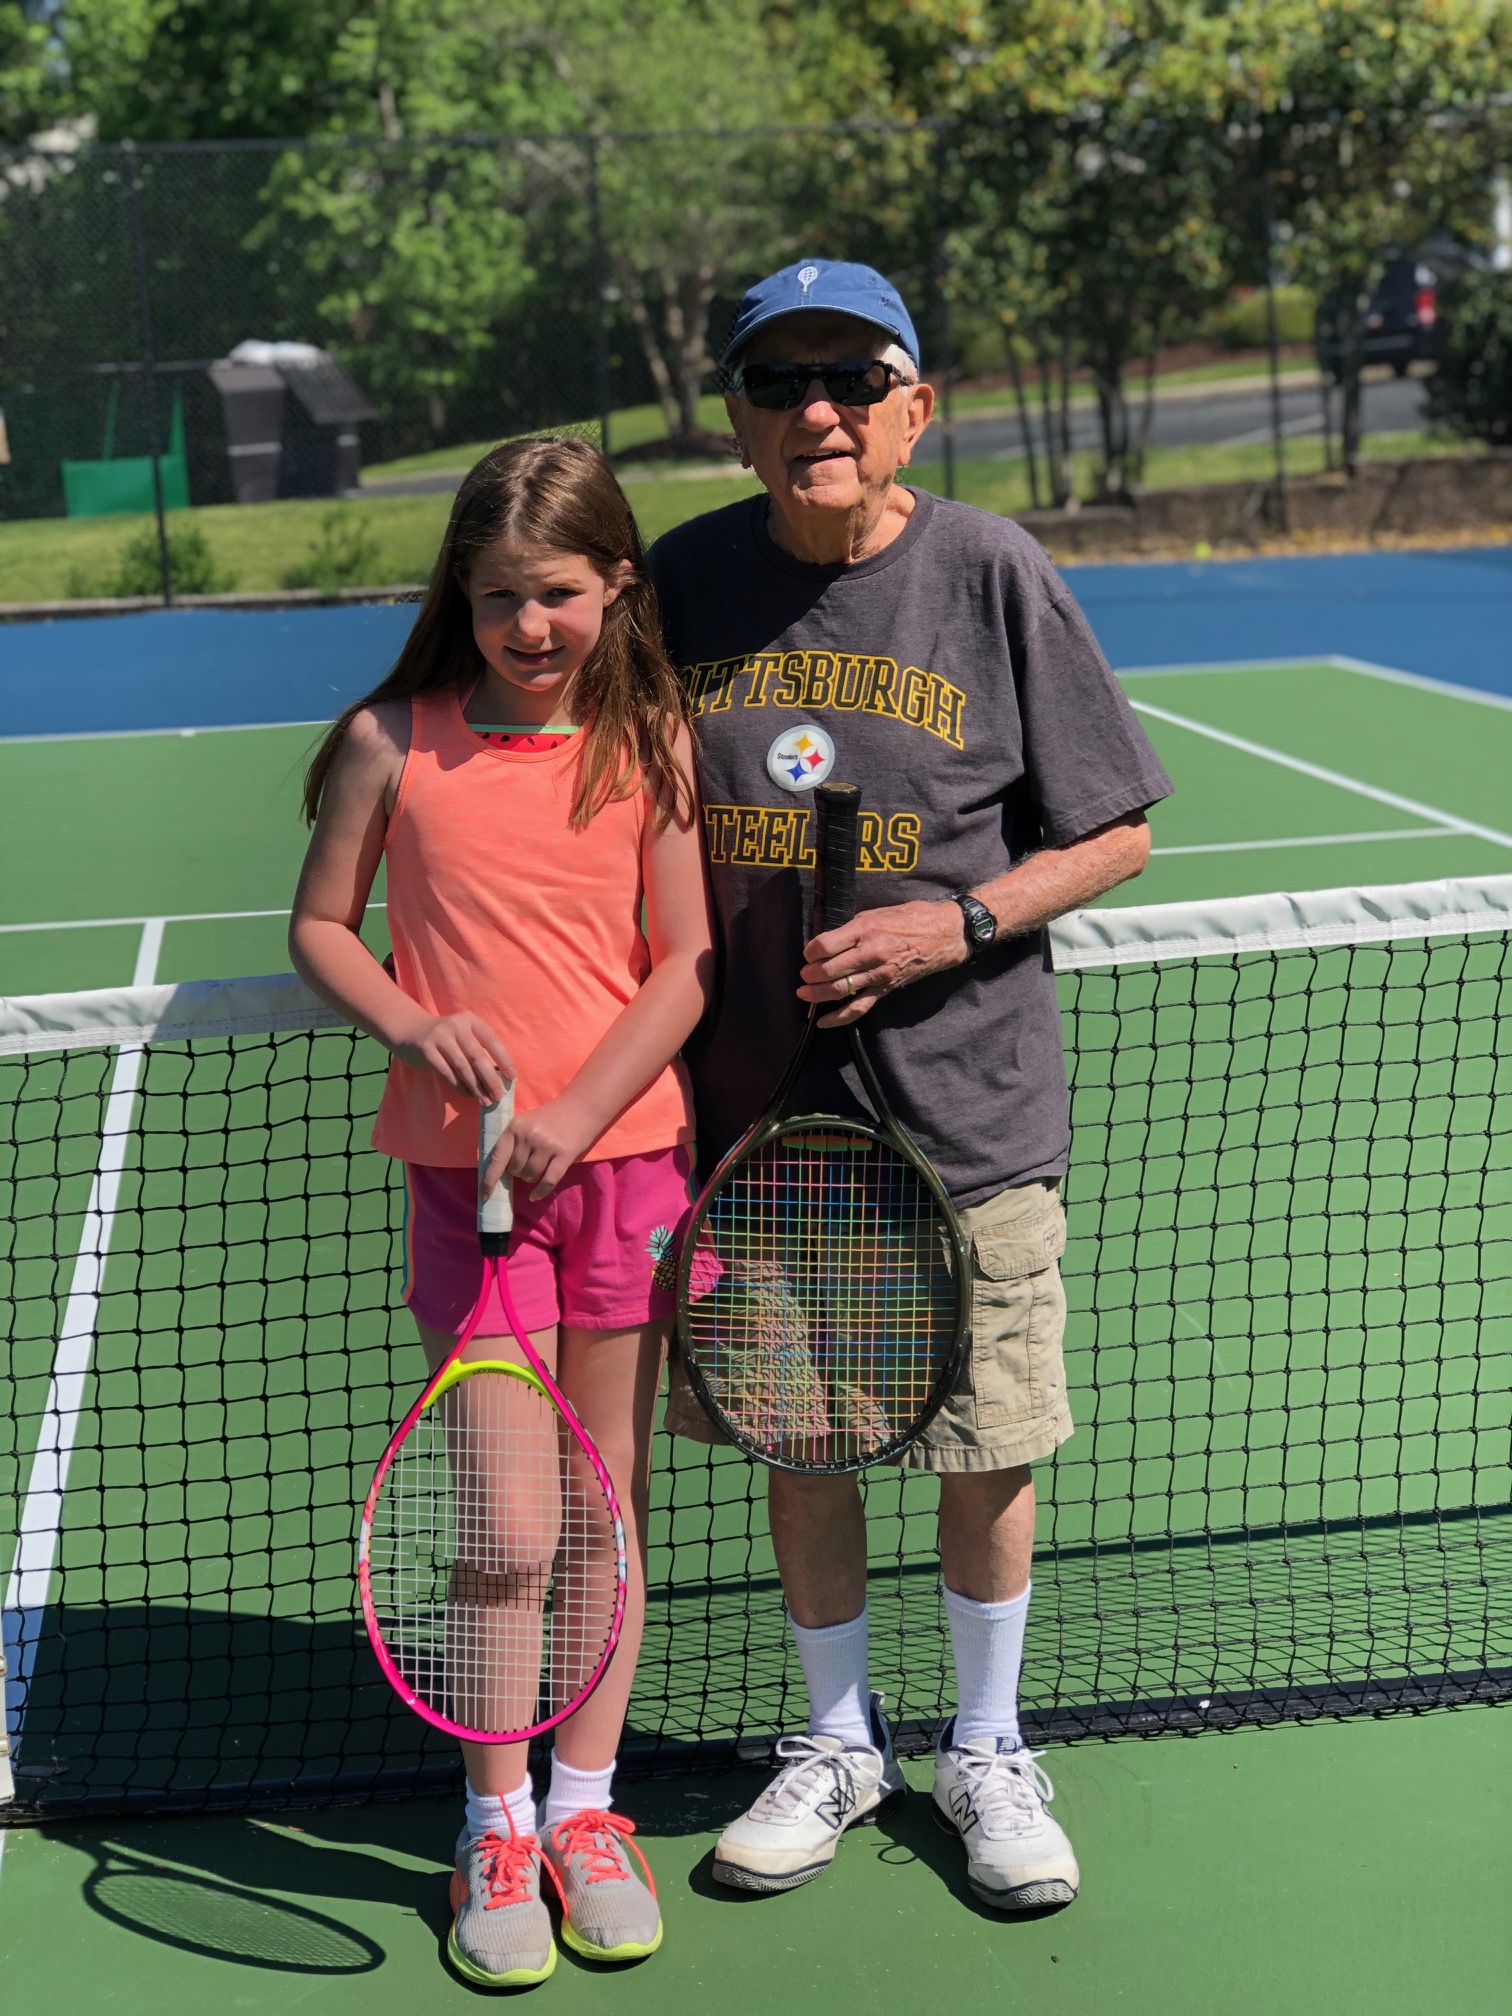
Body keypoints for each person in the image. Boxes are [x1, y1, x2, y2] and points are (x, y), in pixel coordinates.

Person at [649, 261, 1172, 1911]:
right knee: (803, 1438)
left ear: (913, 409)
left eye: (853, 382)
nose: (819, 411)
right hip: (756, 1124)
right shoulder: (672, 590)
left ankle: (988, 1746)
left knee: (985, 1445)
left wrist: (952, 920)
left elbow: (1117, 828)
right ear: (735, 422)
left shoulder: (992, 571)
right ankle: (837, 1741)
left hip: (967, 1113)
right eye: (780, 383)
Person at [290, 435, 713, 1988]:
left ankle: (590, 1813)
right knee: (508, 1531)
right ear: (455, 598)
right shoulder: (388, 744)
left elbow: (682, 966)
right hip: (467, 1194)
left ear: (616, 586)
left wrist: (583, 1115)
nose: (529, 627)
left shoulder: (653, 737)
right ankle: (496, 1818)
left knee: (602, 1514)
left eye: (557, 594)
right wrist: (409, 1027)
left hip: (627, 1173)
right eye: (496, 599)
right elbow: (322, 927)